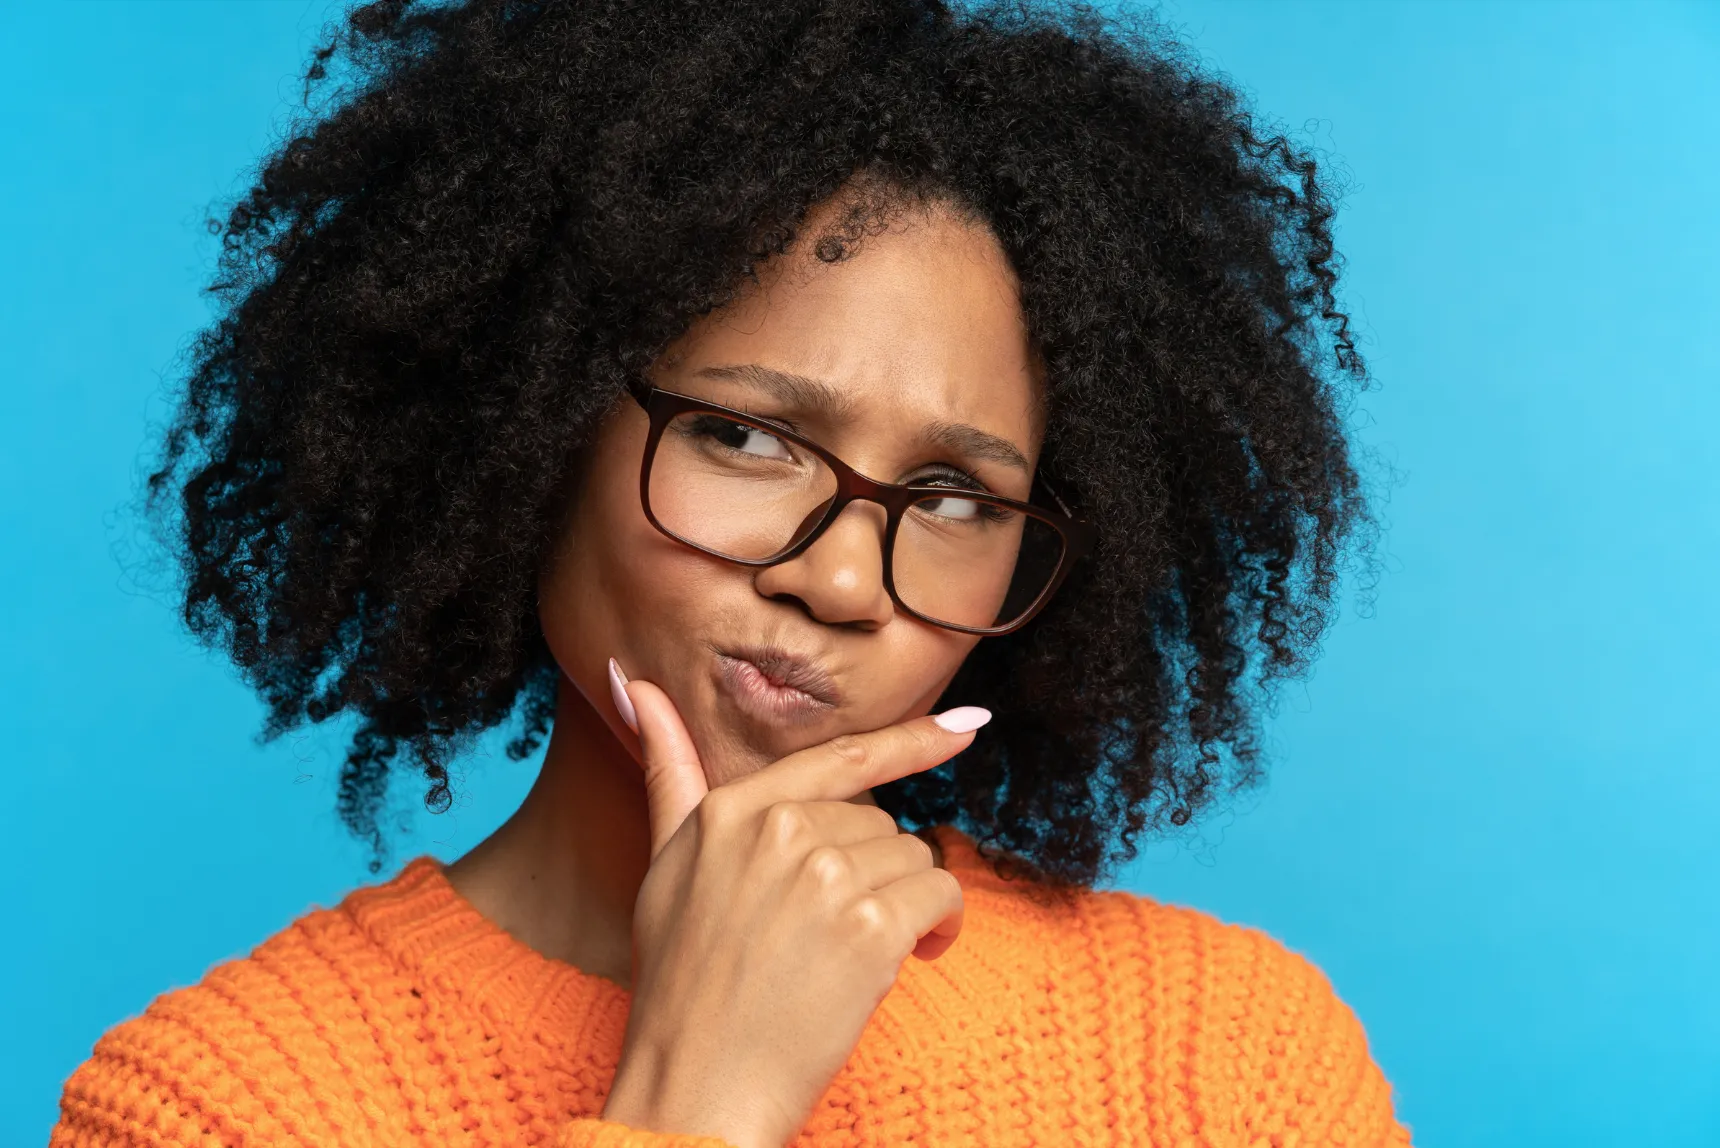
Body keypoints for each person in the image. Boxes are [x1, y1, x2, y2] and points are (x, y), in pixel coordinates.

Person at [52, 0, 1411, 1144]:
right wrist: (696, 1104)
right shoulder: (224, 1105)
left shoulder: (1223, 1062)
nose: (840, 584)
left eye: (951, 496)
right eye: (747, 436)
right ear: (528, 421)